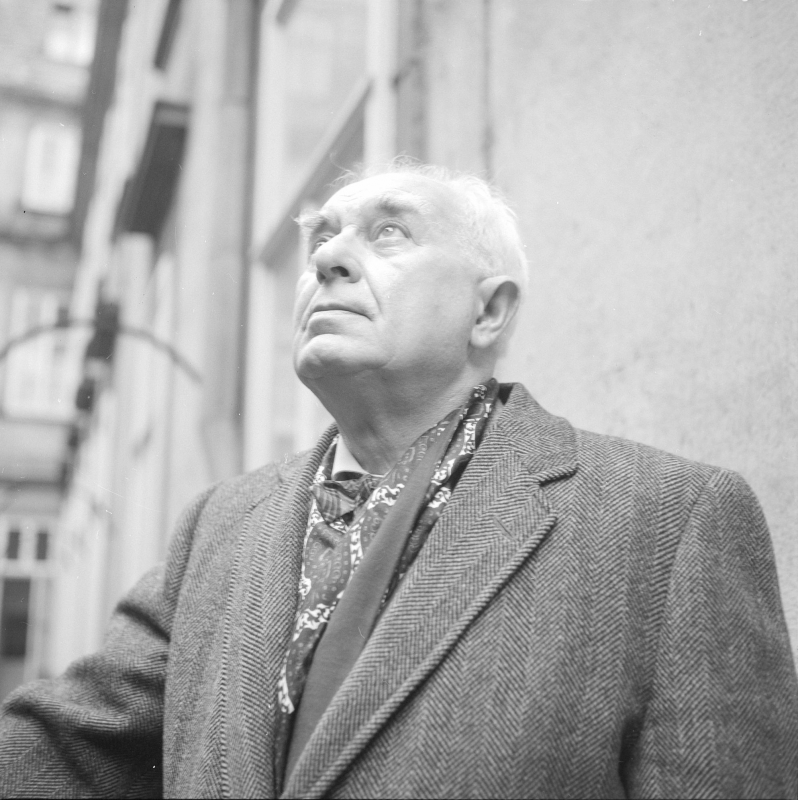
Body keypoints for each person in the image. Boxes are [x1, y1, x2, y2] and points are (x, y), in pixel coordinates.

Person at [1, 162, 797, 799]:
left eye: (389, 233)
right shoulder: (218, 525)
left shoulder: (669, 523)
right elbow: (64, 750)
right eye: (322, 238)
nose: (325, 258)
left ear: (488, 313)